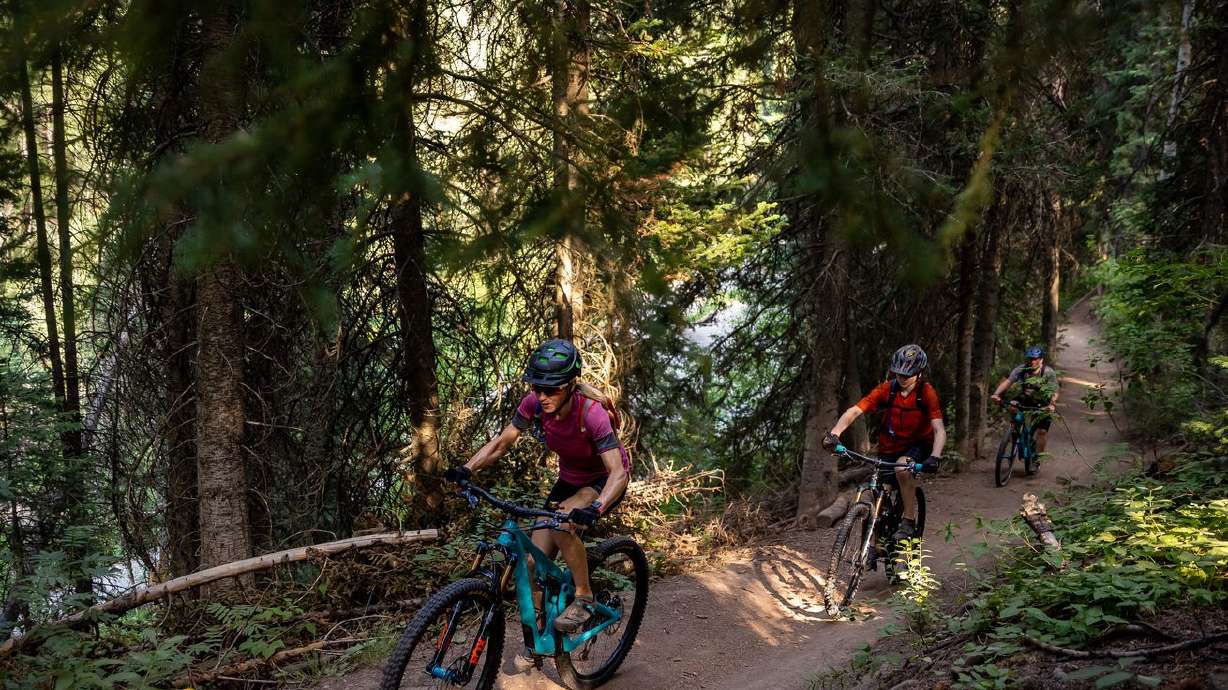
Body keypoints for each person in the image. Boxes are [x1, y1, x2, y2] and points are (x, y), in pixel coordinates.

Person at [443, 338, 630, 635]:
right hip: (569, 479)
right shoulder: (535, 405)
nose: (542, 395)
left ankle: (585, 597)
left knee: (562, 524)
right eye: (537, 387)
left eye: (551, 389)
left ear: (570, 385)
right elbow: (501, 443)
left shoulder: (591, 413)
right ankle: (541, 638)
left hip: (601, 481)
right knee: (532, 563)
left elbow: (617, 472)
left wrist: (596, 507)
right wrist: (467, 469)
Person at [822, 344, 945, 542]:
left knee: (902, 468)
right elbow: (855, 410)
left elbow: (939, 429)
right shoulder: (888, 389)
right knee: (878, 494)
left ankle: (908, 521)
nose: (902, 378)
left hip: (917, 445)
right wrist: (835, 433)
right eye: (898, 373)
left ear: (919, 373)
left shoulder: (926, 392)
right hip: (889, 446)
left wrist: (935, 456)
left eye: (907, 375)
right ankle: (872, 546)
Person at [990, 345, 1060, 455]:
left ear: (1041, 360)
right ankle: (1015, 429)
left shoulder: (1048, 372)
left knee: (1042, 431)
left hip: (1044, 402)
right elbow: (1008, 382)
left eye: (1035, 359)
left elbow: (1054, 391)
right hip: (1026, 398)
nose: (1032, 362)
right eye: (1030, 359)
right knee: (1012, 405)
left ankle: (1037, 458)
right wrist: (996, 394)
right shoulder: (1021, 369)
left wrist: (1052, 404)